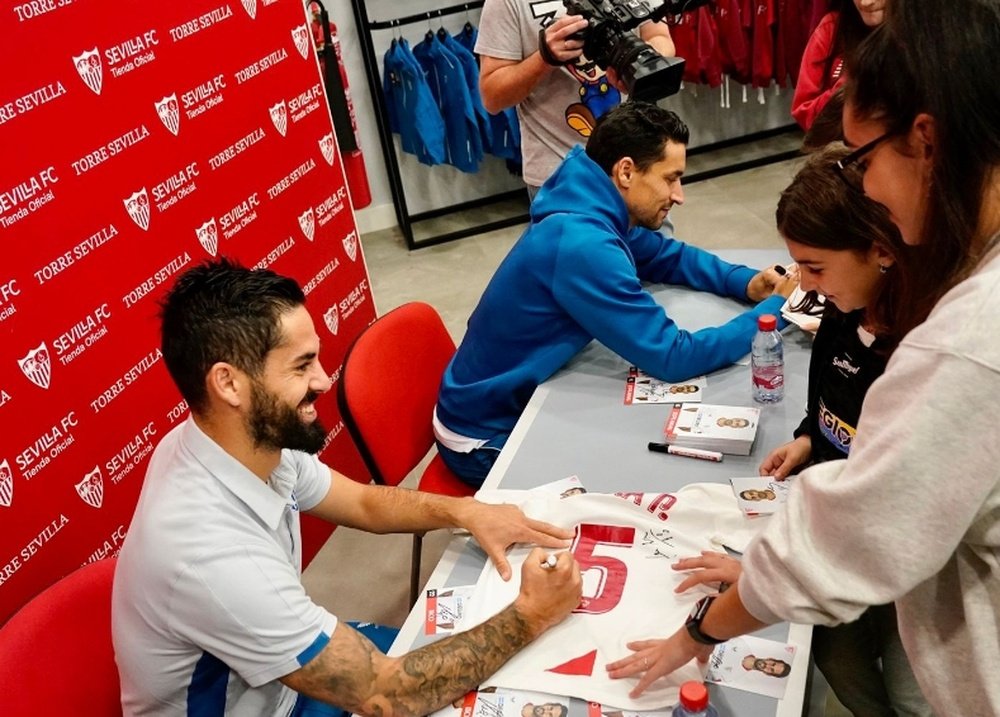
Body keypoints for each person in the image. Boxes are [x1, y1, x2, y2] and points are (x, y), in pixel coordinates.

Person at [605, 2, 1000, 713]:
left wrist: (703, 627)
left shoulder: (964, 340)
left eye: (862, 160)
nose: (866, 187)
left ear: (927, 140)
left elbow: (842, 548)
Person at [112, 259, 583, 717]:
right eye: (301, 367)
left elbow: (363, 502)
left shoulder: (233, 436)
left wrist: (465, 512)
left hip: (279, 686)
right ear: (229, 384)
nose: (322, 380)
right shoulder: (209, 555)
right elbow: (387, 695)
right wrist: (531, 614)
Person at [434, 102, 797, 487]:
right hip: (482, 437)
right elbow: (673, 356)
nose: (679, 195)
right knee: (625, 488)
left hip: (491, 401)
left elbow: (663, 255)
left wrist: (743, 282)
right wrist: (775, 310)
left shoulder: (590, 202)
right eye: (671, 178)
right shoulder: (582, 244)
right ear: (626, 171)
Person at [475, 0, 674, 197]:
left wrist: (640, 67)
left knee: (656, 230)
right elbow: (492, 97)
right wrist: (545, 58)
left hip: (642, 162)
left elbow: (658, 36)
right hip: (560, 177)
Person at [791, 0, 885, 132]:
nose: (865, 3)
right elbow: (804, 112)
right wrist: (850, 85)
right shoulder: (832, 29)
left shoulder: (918, 36)